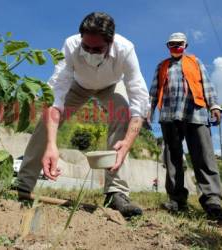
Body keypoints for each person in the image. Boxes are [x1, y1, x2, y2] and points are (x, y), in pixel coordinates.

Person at [17, 12, 150, 218]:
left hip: (111, 85)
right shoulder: (71, 45)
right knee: (47, 120)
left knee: (123, 114)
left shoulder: (126, 49)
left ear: (111, 42)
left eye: (97, 49)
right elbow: (56, 94)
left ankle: (116, 193)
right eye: (86, 47)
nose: (90, 53)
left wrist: (127, 142)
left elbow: (139, 99)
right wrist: (51, 145)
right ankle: (23, 184)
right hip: (78, 85)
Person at [149, 32, 222, 221]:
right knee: (173, 159)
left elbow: (207, 85)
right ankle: (177, 200)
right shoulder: (162, 66)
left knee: (204, 156)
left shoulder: (195, 61)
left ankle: (212, 201)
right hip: (169, 115)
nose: (176, 47)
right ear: (168, 46)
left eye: (179, 44)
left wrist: (215, 106)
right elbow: (154, 91)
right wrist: (148, 111)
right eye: (172, 44)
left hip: (196, 114)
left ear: (185, 45)